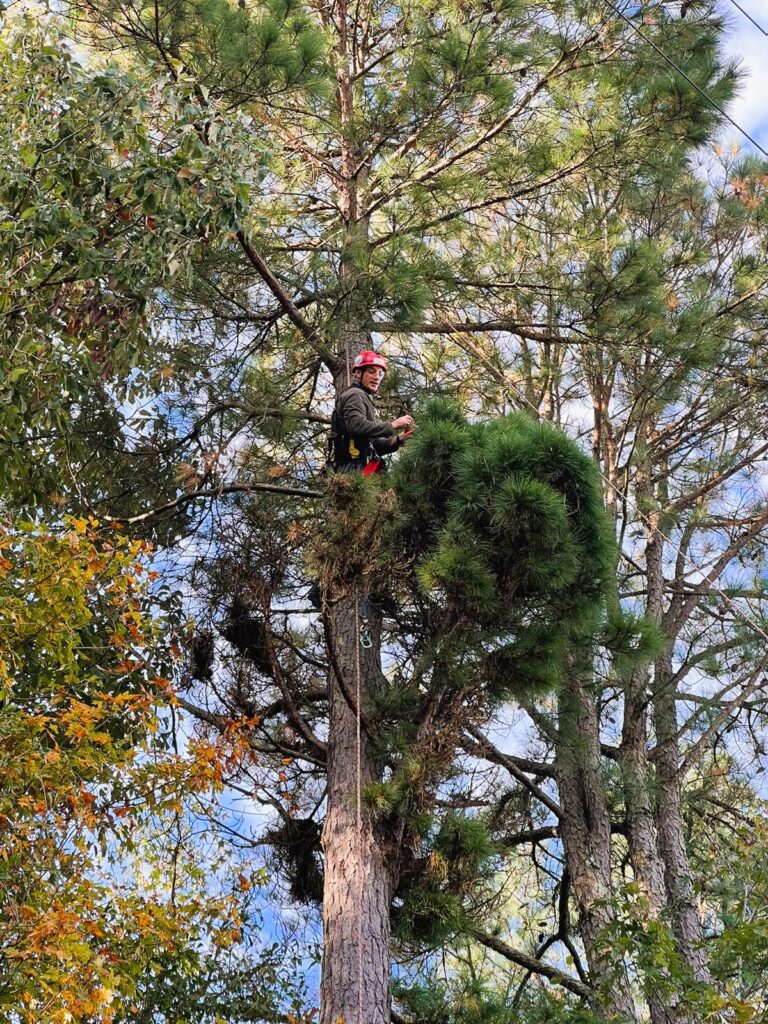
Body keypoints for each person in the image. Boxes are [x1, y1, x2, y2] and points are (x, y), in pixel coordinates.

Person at [329, 350, 415, 475]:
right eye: (371, 372)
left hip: (359, 471)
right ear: (358, 373)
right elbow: (356, 426)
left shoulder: (362, 397)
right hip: (350, 471)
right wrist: (392, 425)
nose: (377, 377)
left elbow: (376, 445)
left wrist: (399, 439)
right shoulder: (355, 394)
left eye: (380, 374)